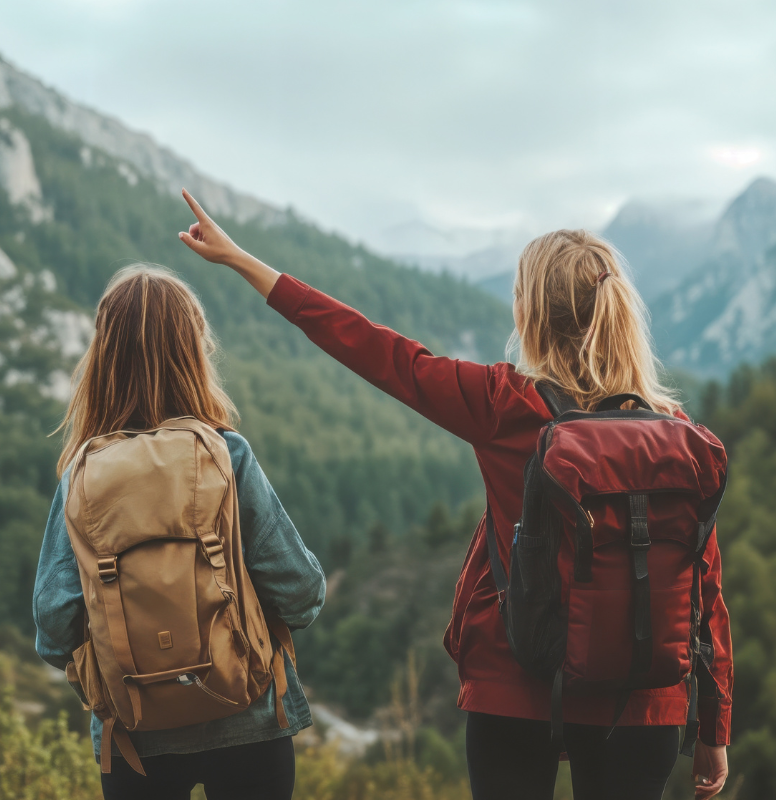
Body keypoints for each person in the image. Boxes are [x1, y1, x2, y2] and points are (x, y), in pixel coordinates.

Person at [177, 188, 733, 800]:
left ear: (530, 316)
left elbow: (375, 348)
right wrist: (714, 728)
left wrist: (243, 261)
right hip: (644, 696)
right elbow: (704, 589)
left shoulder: (504, 403)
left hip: (516, 684)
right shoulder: (677, 436)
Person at [33, 265, 326, 800]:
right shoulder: (226, 455)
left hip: (134, 738)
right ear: (194, 351)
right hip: (249, 722)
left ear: (101, 357)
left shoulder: (82, 472)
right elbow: (302, 593)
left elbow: (54, 628)